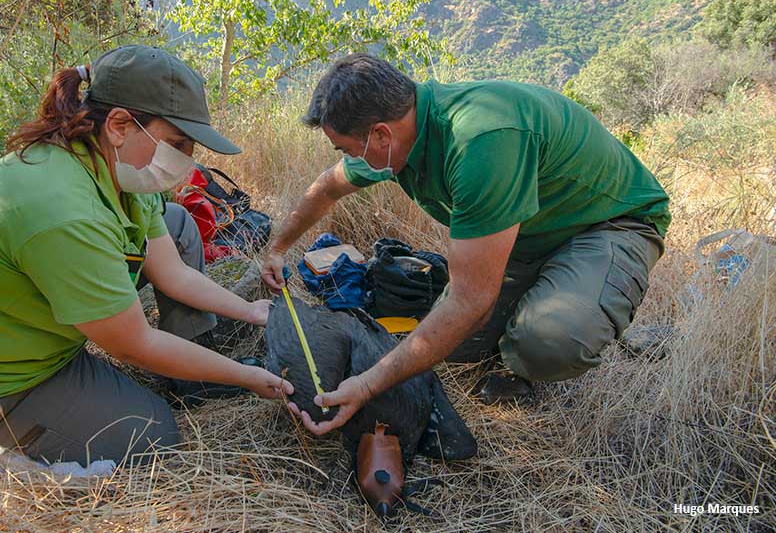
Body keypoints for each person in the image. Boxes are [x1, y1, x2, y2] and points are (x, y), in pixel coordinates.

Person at [0, 45, 293, 466]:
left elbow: (173, 274)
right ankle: (12, 453)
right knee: (153, 433)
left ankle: (190, 376)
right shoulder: (64, 212)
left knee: (177, 223)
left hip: (28, 328)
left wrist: (251, 311)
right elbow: (135, 345)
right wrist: (247, 377)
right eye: (178, 143)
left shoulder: (115, 168)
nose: (186, 161)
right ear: (120, 124)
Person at [261, 53, 669, 435]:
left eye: (349, 149)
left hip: (608, 224)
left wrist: (368, 385)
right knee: (453, 346)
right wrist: (278, 248)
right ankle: (537, 305)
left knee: (546, 341)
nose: (351, 159)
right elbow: (327, 189)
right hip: (526, 236)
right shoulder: (402, 132)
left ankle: (550, 342)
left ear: (381, 135)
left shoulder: (478, 142)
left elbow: (470, 301)